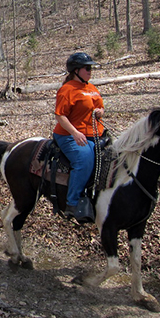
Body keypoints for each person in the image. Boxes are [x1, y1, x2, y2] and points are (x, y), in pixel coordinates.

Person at [53, 52, 104, 220]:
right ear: (76, 70)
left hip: (94, 132)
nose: (90, 71)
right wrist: (75, 133)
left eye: (91, 68)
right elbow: (60, 116)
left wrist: (99, 112)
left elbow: (101, 107)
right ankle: (72, 202)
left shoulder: (91, 87)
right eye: (87, 68)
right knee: (84, 158)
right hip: (69, 134)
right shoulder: (67, 90)